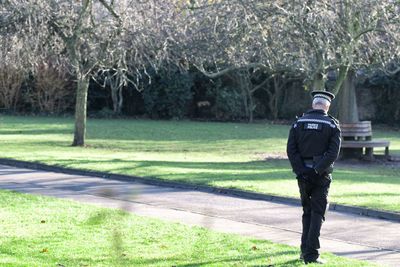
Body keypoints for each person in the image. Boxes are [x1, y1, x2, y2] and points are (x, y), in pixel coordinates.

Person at [286, 90, 341, 264]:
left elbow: (291, 149)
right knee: (318, 213)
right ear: (327, 106)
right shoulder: (332, 125)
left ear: (313, 104)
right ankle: (311, 255)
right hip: (321, 176)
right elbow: (333, 153)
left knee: (307, 212)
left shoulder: (298, 123)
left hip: (302, 175)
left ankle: (304, 252)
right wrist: (316, 170)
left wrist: (301, 169)